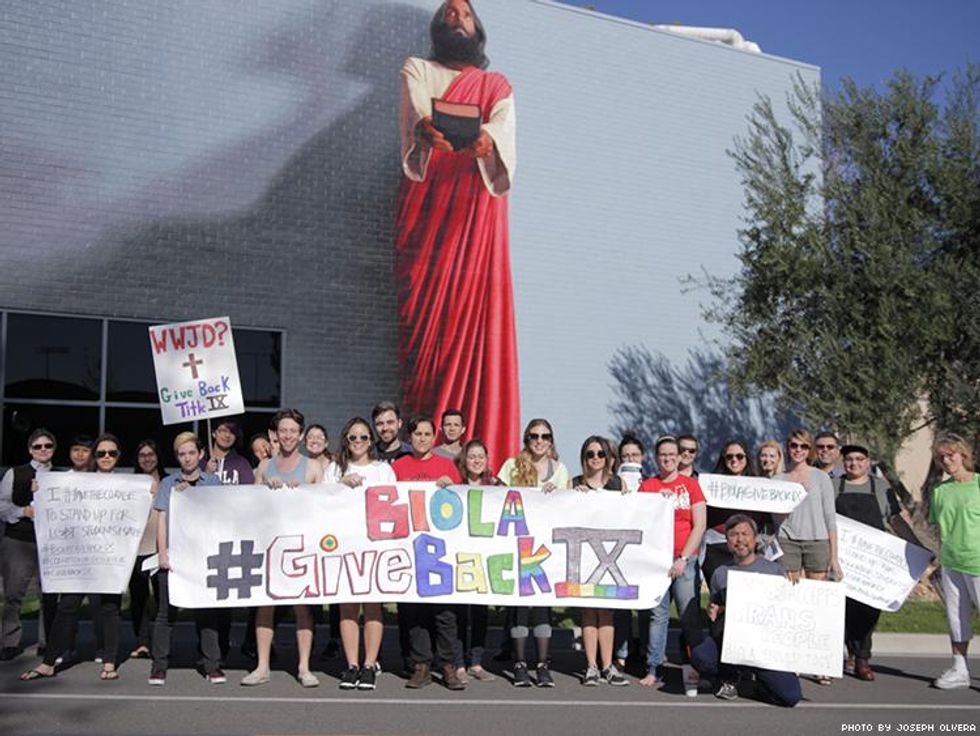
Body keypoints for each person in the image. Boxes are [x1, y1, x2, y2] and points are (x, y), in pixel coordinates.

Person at [395, 0, 519, 474]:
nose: (456, 18)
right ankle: (421, 445)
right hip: (427, 214)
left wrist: (486, 140)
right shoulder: (418, 68)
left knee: (472, 315)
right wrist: (426, 128)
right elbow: (416, 110)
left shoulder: (495, 84)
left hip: (475, 211)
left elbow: (502, 126)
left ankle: (481, 454)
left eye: (465, 14)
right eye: (449, 12)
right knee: (427, 324)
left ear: (478, 28)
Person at [20, 434, 131, 681]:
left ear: (118, 456)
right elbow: (51, 504)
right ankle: (49, 661)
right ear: (95, 456)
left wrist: (150, 490)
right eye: (101, 453)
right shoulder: (78, 480)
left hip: (109, 558)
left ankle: (110, 662)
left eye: (111, 453)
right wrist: (41, 491)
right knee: (67, 606)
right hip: (79, 558)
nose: (106, 457)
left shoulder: (127, 484)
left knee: (110, 609)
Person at [242, 409, 324, 688]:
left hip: (301, 547)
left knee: (303, 608)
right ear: (274, 435)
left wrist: (301, 491)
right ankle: (262, 666)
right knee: (265, 606)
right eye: (283, 431)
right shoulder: (264, 467)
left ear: (300, 435)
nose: (288, 435)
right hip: (269, 545)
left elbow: (324, 507)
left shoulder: (313, 467)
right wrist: (267, 487)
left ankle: (304, 667)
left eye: (293, 431)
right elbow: (251, 505)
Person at [689, 514, 802, 706]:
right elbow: (717, 607)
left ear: (755, 538)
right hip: (732, 644)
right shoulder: (720, 573)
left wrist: (795, 586)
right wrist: (714, 611)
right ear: (727, 540)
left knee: (790, 697)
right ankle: (727, 678)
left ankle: (757, 686)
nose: (740, 540)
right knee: (701, 655)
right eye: (733, 535)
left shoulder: (774, 571)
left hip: (765, 649)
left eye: (745, 534)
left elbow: (786, 610)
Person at [146, 432, 225, 687]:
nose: (187, 458)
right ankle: (159, 666)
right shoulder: (169, 483)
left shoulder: (213, 483)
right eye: (182, 454)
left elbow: (221, 516)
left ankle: (212, 665)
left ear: (201, 454)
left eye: (192, 452)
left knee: (206, 613)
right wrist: (163, 552)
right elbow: (161, 519)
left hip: (203, 558)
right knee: (165, 614)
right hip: (175, 558)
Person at [393, 416, 465, 690]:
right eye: (417, 433)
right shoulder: (398, 467)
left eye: (427, 434)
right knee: (414, 611)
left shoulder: (446, 466)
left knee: (445, 613)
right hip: (409, 549)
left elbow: (461, 505)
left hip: (441, 551)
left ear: (434, 438)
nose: (422, 438)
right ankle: (421, 665)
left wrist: (452, 487)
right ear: (409, 437)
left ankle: (447, 665)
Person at [326, 417, 396, 690]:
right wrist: (340, 484)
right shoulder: (334, 469)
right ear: (346, 440)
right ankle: (351, 664)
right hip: (344, 545)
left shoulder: (383, 470)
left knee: (372, 605)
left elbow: (393, 505)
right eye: (352, 437)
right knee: (347, 606)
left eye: (363, 437)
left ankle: (370, 664)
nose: (358, 442)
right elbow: (321, 502)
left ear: (371, 441)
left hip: (374, 545)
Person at [498, 419, 569, 687]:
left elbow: (569, 505)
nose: (539, 441)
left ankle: (542, 664)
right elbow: (498, 500)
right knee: (519, 609)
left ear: (551, 440)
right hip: (518, 545)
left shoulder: (560, 470)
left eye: (545, 436)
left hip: (545, 549)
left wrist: (558, 493)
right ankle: (518, 663)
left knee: (541, 607)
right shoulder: (512, 466)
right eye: (534, 436)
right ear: (526, 439)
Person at [638, 435, 707, 690]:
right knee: (658, 615)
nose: (667, 458)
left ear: (679, 457)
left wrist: (683, 558)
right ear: (656, 458)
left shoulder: (690, 486)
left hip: (684, 560)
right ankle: (654, 668)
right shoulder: (648, 486)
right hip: (657, 562)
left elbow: (699, 525)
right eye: (662, 454)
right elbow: (639, 521)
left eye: (671, 454)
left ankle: (700, 667)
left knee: (689, 617)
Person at [774, 428, 841, 685]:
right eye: (793, 445)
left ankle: (820, 662)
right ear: (788, 447)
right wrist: (790, 498)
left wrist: (834, 557)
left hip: (817, 542)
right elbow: (775, 516)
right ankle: (796, 660)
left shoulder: (820, 477)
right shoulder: (779, 480)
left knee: (816, 603)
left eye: (803, 446)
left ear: (809, 449)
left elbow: (830, 518)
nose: (798, 450)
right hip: (789, 542)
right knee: (794, 602)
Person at [836, 443, 900, 681]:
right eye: (850, 459)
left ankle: (862, 658)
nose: (854, 463)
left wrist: (917, 546)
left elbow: (895, 520)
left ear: (868, 461)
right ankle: (848, 653)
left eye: (859, 459)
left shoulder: (882, 487)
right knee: (843, 609)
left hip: (871, 564)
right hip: (842, 559)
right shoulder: (834, 486)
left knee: (869, 610)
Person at [572, 436, 628, 686]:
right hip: (582, 557)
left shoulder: (618, 484)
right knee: (587, 612)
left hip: (610, 557)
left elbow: (632, 513)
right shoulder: (574, 483)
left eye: (600, 454)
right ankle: (591, 666)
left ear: (608, 457)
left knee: (605, 611)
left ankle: (608, 666)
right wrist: (570, 495)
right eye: (590, 454)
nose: (595, 458)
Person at [0, 429, 59, 661]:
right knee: (14, 594)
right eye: (38, 446)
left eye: (47, 446)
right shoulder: (15, 473)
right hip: (19, 539)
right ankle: (9, 641)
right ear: (30, 450)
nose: (43, 450)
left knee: (50, 594)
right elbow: (2, 505)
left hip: (51, 542)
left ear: (53, 449)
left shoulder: (62, 476)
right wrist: (23, 510)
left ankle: (47, 642)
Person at [929, 433, 980, 690]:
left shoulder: (979, 484)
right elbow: (941, 528)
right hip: (951, 563)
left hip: (978, 563)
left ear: (963, 455)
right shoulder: (940, 491)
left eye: (951, 454)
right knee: (956, 619)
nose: (947, 460)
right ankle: (960, 670)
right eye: (941, 457)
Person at [453, 438, 502, 683]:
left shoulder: (496, 486)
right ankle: (458, 664)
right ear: (464, 459)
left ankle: (477, 662)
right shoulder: (454, 484)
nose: (476, 460)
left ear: (486, 460)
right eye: (472, 456)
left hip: (485, 558)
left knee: (481, 613)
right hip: (459, 557)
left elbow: (521, 501)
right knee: (460, 613)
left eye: (480, 457)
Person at [702, 440, 768, 589]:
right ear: (723, 459)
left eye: (739, 456)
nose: (734, 460)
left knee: (746, 592)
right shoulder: (711, 484)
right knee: (720, 593)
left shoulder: (759, 485)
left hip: (748, 546)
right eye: (729, 456)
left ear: (746, 458)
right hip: (716, 545)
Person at [128, 439, 167, 660]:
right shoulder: (130, 483)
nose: (147, 458)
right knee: (139, 598)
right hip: (135, 548)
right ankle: (142, 642)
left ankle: (161, 642)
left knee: (162, 599)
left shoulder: (169, 481)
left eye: (151, 454)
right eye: (142, 455)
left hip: (159, 549)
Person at [205, 420, 255, 486]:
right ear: (214, 433)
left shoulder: (242, 463)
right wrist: (206, 474)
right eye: (223, 430)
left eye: (232, 432)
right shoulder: (201, 461)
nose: (227, 435)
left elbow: (248, 491)